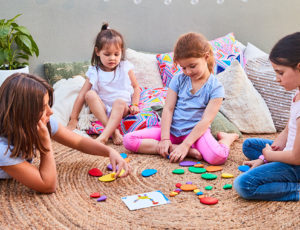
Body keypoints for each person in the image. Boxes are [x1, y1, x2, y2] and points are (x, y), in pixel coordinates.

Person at [0, 73, 131, 194]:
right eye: (42, 108)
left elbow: (79, 142)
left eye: (48, 105)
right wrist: (45, 144)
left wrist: (110, 152)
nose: (50, 112)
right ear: (23, 114)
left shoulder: (42, 121)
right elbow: (48, 185)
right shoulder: (2, 149)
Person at [123, 32, 238, 164]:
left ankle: (226, 139)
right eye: (183, 67)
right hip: (172, 131)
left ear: (206, 57)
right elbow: (168, 109)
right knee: (128, 140)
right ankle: (177, 149)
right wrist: (165, 139)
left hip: (195, 135)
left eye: (192, 66)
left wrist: (186, 144)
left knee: (218, 157)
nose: (188, 72)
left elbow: (206, 120)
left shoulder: (216, 88)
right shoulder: (178, 79)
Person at [234, 32, 300, 201]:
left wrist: (270, 157)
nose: (277, 79)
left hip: (296, 161)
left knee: (244, 185)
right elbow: (289, 127)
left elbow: (296, 157)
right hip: (292, 152)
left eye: (280, 73)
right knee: (250, 145)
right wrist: (267, 154)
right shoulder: (298, 93)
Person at [67, 23, 140, 145]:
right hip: (103, 110)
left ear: (121, 52)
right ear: (97, 52)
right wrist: (73, 119)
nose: (112, 58)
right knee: (89, 94)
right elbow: (82, 95)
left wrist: (135, 104)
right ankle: (113, 132)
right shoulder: (94, 71)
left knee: (119, 102)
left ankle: (103, 136)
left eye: (116, 54)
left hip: (122, 108)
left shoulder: (125, 67)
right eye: (107, 54)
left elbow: (136, 87)